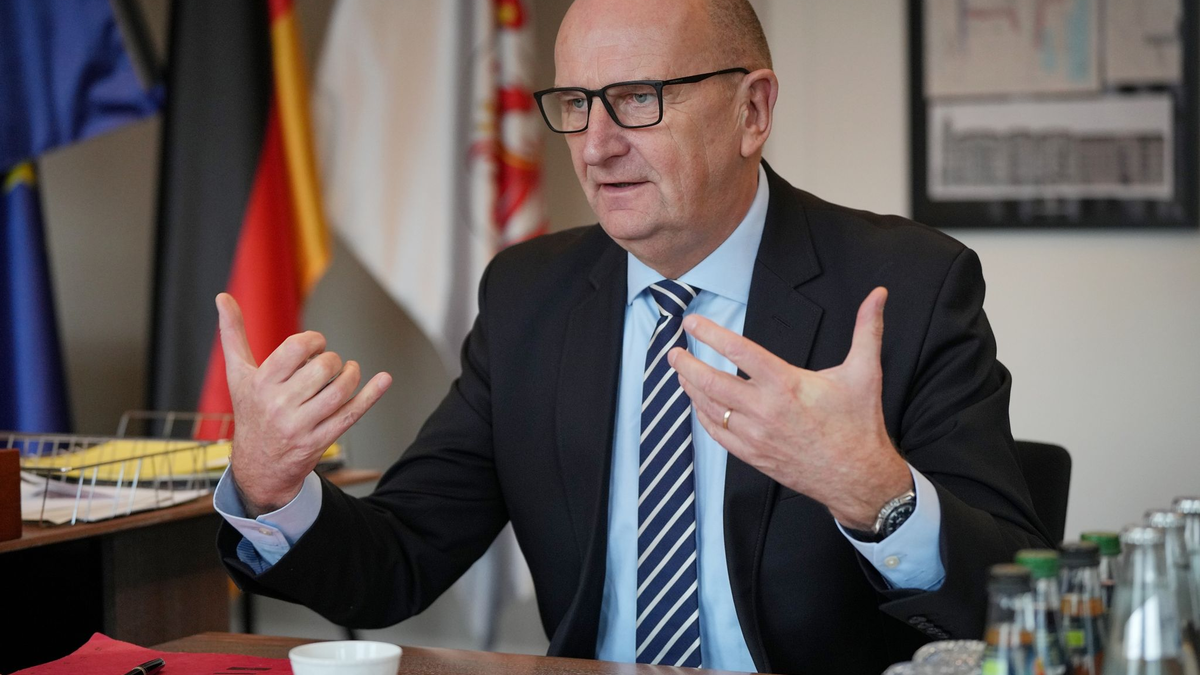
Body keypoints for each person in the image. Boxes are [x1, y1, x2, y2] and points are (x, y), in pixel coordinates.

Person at [211, 1, 1051, 672]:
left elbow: (1014, 593)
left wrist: (876, 492)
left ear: (752, 109)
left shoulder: (907, 286)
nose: (596, 146)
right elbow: (399, 559)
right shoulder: (528, 296)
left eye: (639, 99)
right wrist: (272, 491)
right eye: (576, 104)